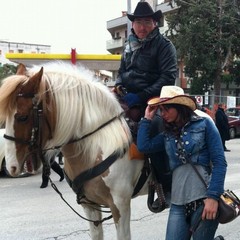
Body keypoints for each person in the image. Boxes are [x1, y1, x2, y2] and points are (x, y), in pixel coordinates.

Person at [137, 86, 227, 240]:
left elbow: (220, 162)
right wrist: (147, 118)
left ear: (179, 106)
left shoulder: (204, 124)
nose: (162, 114)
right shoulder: (167, 135)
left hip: (204, 199)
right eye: (160, 110)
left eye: (166, 109)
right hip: (177, 203)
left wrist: (213, 197)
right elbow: (144, 146)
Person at [115, 1, 177, 116]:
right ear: (133, 24)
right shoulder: (127, 45)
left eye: (147, 22)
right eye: (138, 22)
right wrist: (117, 86)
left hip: (153, 100)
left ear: (154, 23)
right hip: (127, 97)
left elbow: (168, 78)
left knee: (156, 124)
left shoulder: (164, 46)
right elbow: (121, 71)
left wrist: (141, 96)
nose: (142, 27)